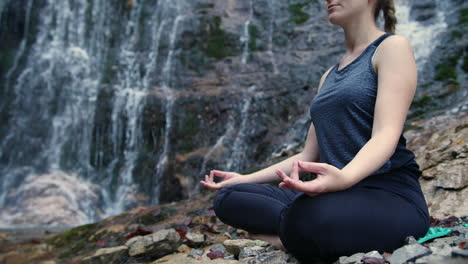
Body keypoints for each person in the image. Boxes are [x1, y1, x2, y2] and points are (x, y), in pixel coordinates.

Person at [200, 0, 430, 262]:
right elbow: (308, 156)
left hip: (390, 196)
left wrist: (343, 178)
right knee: (229, 196)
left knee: (311, 217)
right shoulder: (329, 75)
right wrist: (244, 178)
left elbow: (386, 135)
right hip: (335, 195)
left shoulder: (392, 47)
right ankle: (295, 232)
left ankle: (285, 235)